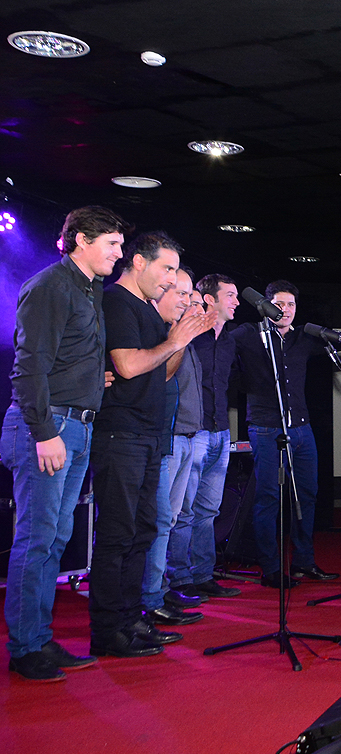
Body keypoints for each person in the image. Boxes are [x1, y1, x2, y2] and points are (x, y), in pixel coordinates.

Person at [2, 207, 128, 682]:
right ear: (80, 240)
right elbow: (28, 368)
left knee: (54, 538)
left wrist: (93, 379)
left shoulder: (87, 288)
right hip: (49, 427)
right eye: (112, 244)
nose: (119, 253)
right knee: (36, 540)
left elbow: (61, 358)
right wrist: (44, 433)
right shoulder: (52, 285)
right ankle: (25, 648)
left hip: (75, 423)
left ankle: (39, 638)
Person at [90, 231, 215, 659]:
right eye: (166, 269)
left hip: (148, 435)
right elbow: (126, 366)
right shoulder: (116, 302)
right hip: (120, 434)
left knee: (142, 531)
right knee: (117, 533)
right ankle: (108, 630)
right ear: (139, 263)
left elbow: (158, 373)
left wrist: (179, 337)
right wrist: (176, 339)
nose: (170, 280)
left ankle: (131, 618)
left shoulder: (146, 309)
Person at [232, 281, 341, 587]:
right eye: (279, 304)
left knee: (308, 495)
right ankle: (271, 568)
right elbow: (219, 346)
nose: (285, 310)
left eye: (291, 305)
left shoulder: (304, 336)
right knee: (268, 497)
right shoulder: (249, 334)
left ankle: (303, 562)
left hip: (301, 428)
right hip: (265, 428)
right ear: (266, 305)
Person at [168, 273, 243, 601]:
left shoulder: (229, 340)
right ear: (208, 299)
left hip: (220, 431)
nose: (237, 302)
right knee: (183, 511)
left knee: (209, 509)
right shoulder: (190, 335)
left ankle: (203, 574)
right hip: (191, 432)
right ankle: (179, 579)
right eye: (230, 295)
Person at [139, 268, 206, 627]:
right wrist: (179, 338)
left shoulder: (182, 336)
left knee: (170, 517)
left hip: (182, 436)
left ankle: (157, 591)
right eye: (182, 295)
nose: (187, 303)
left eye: (191, 297)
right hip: (161, 438)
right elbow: (162, 376)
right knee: (158, 519)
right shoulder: (161, 331)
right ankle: (150, 595)